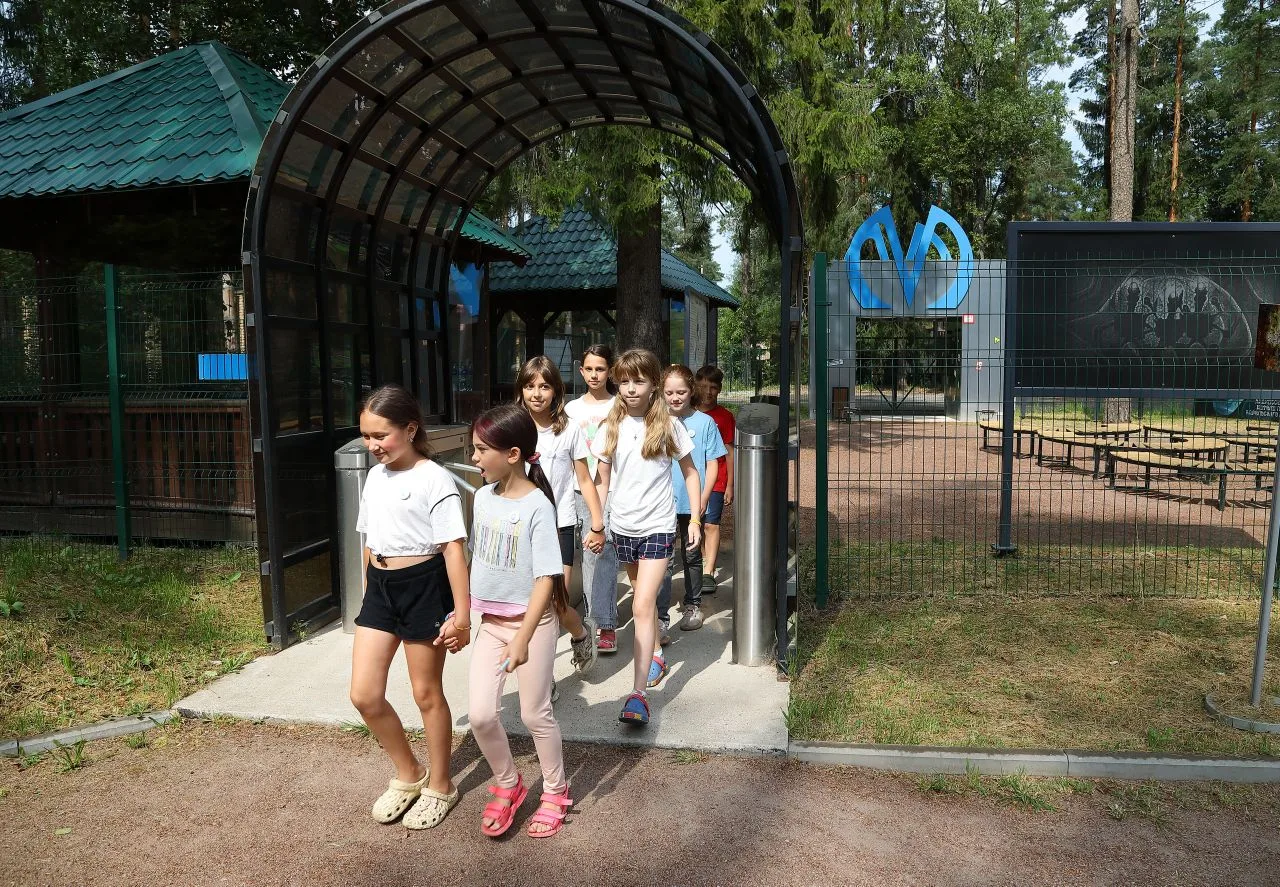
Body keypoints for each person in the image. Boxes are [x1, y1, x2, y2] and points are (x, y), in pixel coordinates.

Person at [349, 385, 470, 830]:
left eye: (381, 435)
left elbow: (454, 550)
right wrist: (369, 590)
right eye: (366, 436)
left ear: (411, 429)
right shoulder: (375, 477)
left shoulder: (433, 478)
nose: (372, 445)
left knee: (425, 693)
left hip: (424, 586)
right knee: (364, 694)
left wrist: (463, 616)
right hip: (381, 589)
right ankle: (409, 772)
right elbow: (369, 539)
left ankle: (441, 784)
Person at [467, 404, 575, 838]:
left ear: (512, 454)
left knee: (535, 714)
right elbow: (478, 561)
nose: (473, 457)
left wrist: (523, 638)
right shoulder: (481, 498)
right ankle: (508, 782)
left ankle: (556, 790)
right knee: (480, 716)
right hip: (491, 625)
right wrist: (459, 613)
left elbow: (547, 578)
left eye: (481, 450)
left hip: (533, 626)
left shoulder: (537, 506)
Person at [593, 349, 700, 725]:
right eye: (623, 381)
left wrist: (695, 519)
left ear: (654, 383)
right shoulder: (611, 425)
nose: (630, 388)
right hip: (623, 528)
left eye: (638, 381)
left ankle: (638, 695)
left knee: (641, 606)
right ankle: (655, 652)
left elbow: (690, 472)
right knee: (644, 598)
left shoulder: (669, 424)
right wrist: (597, 523)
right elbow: (601, 480)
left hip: (658, 527)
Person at [514, 356, 606, 680]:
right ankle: (544, 679)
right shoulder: (513, 427)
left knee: (556, 602)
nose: (536, 393)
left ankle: (580, 634)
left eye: (544, 386)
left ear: (555, 390)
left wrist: (597, 524)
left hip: (559, 525)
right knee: (529, 604)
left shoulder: (568, 429)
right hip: (522, 527)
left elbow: (585, 479)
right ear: (521, 390)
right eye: (530, 386)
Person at [656, 365, 725, 636]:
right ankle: (660, 616)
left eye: (681, 392)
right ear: (662, 392)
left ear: (690, 391)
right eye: (669, 392)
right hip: (661, 503)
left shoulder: (705, 423)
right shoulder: (656, 421)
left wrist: (704, 497)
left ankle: (693, 604)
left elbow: (713, 462)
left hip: (691, 502)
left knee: (692, 553)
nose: (675, 397)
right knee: (662, 559)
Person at [564, 345, 622, 653]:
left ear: (609, 371)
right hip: (577, 488)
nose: (595, 374)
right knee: (587, 553)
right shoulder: (571, 409)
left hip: (612, 488)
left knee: (604, 551)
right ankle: (591, 619)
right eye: (589, 369)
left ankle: (605, 623)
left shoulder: (619, 405)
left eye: (600, 368)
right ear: (581, 371)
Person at [695, 365, 736, 592]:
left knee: (711, 523)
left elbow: (729, 451)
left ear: (719, 389)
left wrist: (730, 484)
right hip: (693, 477)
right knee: (696, 523)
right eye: (703, 386)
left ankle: (709, 570)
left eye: (712, 387)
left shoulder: (725, 417)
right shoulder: (688, 412)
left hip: (718, 478)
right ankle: (703, 560)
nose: (707, 392)